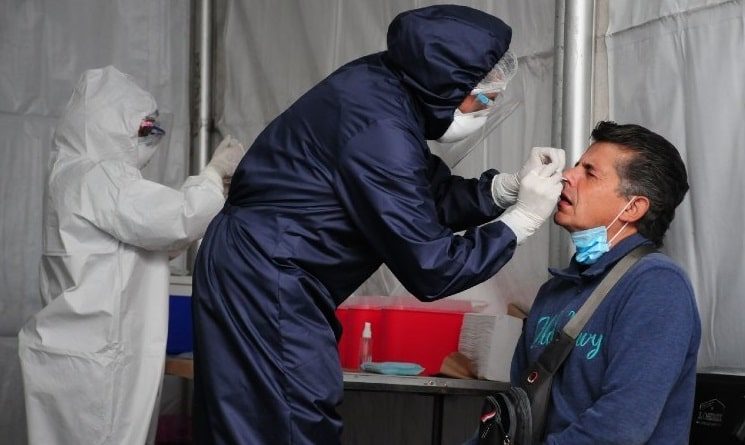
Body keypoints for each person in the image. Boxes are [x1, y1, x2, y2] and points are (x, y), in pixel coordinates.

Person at [192, 5, 565, 445]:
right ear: (447, 83)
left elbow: (419, 196)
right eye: (483, 100)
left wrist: (500, 191)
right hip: (268, 276)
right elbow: (432, 267)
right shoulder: (379, 127)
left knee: (257, 422)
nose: (486, 110)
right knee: (290, 422)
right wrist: (519, 222)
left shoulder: (386, 87)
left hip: (262, 266)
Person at [17, 66, 246, 445]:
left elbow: (150, 238)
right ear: (108, 125)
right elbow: (178, 219)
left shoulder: (69, 174)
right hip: (100, 360)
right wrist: (212, 174)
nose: (146, 141)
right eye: (141, 131)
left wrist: (209, 190)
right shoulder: (100, 176)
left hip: (71, 355)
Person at [511, 121, 700, 444]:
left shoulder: (657, 285)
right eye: (576, 166)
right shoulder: (554, 291)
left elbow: (620, 426)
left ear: (633, 207)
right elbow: (516, 415)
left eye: (589, 172)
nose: (567, 176)